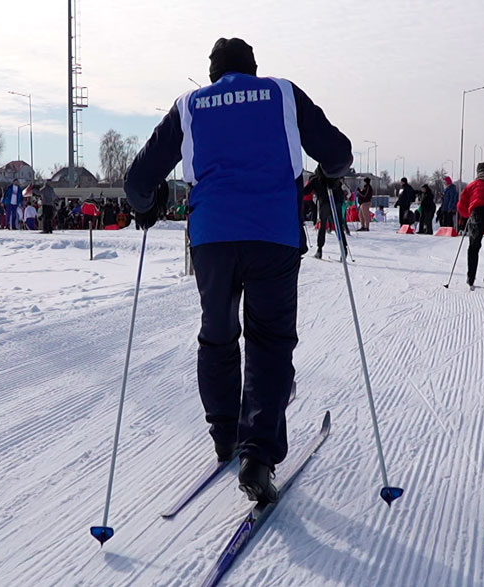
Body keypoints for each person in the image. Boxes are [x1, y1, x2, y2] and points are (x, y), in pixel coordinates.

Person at [123, 37, 352, 503]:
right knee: (269, 341)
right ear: (253, 69)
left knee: (219, 332)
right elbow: (339, 152)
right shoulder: (283, 93)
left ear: (212, 74)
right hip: (273, 234)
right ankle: (257, 454)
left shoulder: (189, 105)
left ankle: (225, 434)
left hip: (212, 239)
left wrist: (147, 205)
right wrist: (329, 173)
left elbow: (137, 180)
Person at [303, 171, 349, 260]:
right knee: (338, 226)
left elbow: (306, 191)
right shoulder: (334, 177)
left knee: (322, 226)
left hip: (324, 203)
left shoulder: (315, 179)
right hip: (336, 203)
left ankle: (319, 249)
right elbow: (341, 192)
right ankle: (344, 249)